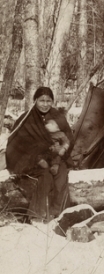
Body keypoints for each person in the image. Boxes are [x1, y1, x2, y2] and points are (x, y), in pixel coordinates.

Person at [6, 87, 73, 221]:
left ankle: (58, 214)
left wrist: (60, 153)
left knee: (61, 175)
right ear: (35, 100)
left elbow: (68, 138)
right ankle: (37, 215)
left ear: (52, 101)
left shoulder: (57, 117)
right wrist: (36, 159)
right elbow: (17, 144)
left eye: (48, 101)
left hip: (55, 157)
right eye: (41, 100)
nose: (45, 104)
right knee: (45, 176)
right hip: (31, 160)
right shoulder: (27, 118)